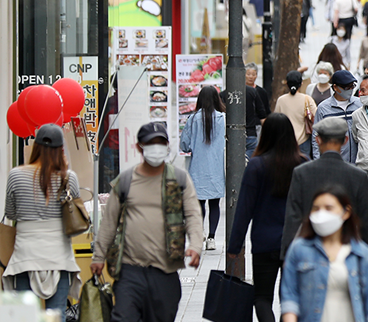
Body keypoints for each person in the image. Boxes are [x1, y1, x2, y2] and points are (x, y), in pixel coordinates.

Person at [92, 123, 203, 322]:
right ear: (139, 147)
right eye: (151, 143)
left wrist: (195, 246)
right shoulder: (125, 181)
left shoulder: (179, 179)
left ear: (168, 146)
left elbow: (193, 215)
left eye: (161, 143)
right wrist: (98, 256)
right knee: (123, 318)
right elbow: (109, 222)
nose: (156, 148)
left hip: (165, 271)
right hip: (130, 270)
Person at [228, 113, 308, 322]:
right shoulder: (303, 163)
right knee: (290, 298)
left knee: (262, 297)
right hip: (295, 242)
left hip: (264, 242)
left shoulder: (256, 166)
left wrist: (234, 247)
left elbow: (244, 209)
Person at [2, 124, 83, 313]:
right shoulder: (68, 178)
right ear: (61, 149)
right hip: (59, 257)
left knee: (24, 316)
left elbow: (11, 213)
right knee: (57, 314)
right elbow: (74, 215)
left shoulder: (15, 175)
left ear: (36, 147)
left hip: (25, 256)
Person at [281, 186, 368, 322]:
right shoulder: (299, 250)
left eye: (329, 208)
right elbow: (290, 298)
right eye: (316, 208)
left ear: (346, 212)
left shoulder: (362, 255)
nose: (321, 214)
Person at [282, 118, 368, 257]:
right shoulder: (358, 176)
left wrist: (286, 255)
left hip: (310, 252)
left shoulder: (302, 173)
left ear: (318, 140)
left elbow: (292, 218)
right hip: (346, 252)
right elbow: (367, 222)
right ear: (345, 141)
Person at [179, 86, 226, 251]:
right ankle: (212, 238)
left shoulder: (192, 119)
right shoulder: (223, 119)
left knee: (199, 205)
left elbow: (184, 145)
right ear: (216, 99)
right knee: (215, 204)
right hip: (216, 168)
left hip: (197, 169)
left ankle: (201, 234)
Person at [312, 70, 362, 162]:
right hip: (334, 163)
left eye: (352, 86)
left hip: (357, 162)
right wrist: (318, 161)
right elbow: (316, 137)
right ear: (335, 87)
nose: (350, 90)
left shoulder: (359, 104)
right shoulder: (324, 108)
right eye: (346, 87)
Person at [222, 64, 268, 161]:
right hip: (250, 132)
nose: (251, 77)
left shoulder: (225, 94)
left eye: (253, 74)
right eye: (248, 74)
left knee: (235, 161)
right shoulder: (252, 91)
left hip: (232, 134)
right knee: (250, 162)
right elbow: (262, 114)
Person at [275, 71, 318, 157]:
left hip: (285, 141)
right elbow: (317, 116)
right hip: (303, 141)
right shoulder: (307, 99)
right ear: (301, 83)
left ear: (287, 83)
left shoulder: (281, 100)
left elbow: (276, 121)